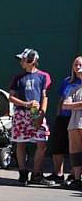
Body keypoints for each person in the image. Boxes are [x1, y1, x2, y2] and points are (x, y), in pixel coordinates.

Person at [8, 48, 55, 186]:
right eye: (21, 59)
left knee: (42, 143)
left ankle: (36, 175)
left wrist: (41, 114)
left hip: (36, 112)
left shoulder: (43, 76)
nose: (21, 62)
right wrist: (26, 104)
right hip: (21, 113)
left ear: (32, 61)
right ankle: (22, 174)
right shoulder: (17, 78)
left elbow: (44, 96)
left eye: (24, 59)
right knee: (20, 143)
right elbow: (11, 97)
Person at [47, 56, 82, 184]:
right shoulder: (68, 81)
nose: (77, 67)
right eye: (75, 64)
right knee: (58, 146)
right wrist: (59, 113)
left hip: (78, 119)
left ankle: (74, 175)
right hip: (64, 117)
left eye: (80, 64)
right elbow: (63, 101)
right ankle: (58, 174)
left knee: (75, 148)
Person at [62, 64, 82, 190]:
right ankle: (77, 179)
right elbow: (65, 105)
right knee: (75, 152)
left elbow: (70, 105)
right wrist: (80, 104)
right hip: (74, 124)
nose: (78, 67)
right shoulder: (72, 87)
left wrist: (74, 105)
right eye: (76, 65)